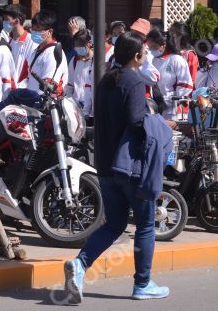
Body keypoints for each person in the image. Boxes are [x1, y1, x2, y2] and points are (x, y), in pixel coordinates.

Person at [64, 32, 169, 303]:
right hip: (131, 165)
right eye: (144, 52)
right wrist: (160, 123)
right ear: (136, 56)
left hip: (106, 165)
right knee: (145, 225)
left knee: (114, 224)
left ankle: (79, 265)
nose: (146, 55)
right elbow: (136, 122)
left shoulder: (106, 81)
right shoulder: (134, 81)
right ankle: (143, 284)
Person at [146, 28, 193, 120]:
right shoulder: (152, 60)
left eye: (154, 47)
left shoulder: (177, 60)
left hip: (175, 112)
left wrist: (168, 100)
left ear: (163, 45)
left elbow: (185, 85)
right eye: (149, 47)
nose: (151, 50)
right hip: (156, 108)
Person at [24, 10, 68, 96]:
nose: (35, 33)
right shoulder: (37, 50)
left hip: (45, 104)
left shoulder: (53, 53)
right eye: (33, 29)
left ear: (50, 32)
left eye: (38, 30)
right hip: (32, 101)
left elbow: (49, 84)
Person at [2, 4, 37, 87]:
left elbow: (31, 70)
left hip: (22, 92)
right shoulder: (9, 41)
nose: (4, 22)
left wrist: (18, 87)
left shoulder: (31, 41)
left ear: (17, 21)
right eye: (3, 19)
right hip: (9, 91)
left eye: (7, 19)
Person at [66, 29, 94, 117]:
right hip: (75, 109)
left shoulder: (96, 62)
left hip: (92, 111)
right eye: (76, 47)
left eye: (81, 47)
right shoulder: (74, 61)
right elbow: (70, 86)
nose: (78, 50)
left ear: (89, 43)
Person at [168, 22, 199, 86]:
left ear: (183, 37)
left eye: (176, 36)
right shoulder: (171, 54)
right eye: (172, 36)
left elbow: (192, 79)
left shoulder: (190, 55)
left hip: (184, 92)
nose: (173, 40)